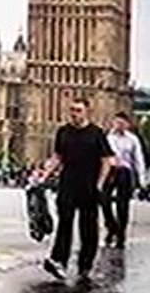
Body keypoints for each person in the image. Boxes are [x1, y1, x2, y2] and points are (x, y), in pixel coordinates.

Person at [38, 98, 116, 282]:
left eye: (78, 110)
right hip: (67, 184)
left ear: (87, 111)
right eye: (72, 110)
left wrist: (100, 184)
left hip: (89, 186)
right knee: (64, 223)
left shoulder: (96, 133)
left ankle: (85, 265)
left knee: (88, 228)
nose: (74, 113)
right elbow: (58, 156)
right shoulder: (63, 131)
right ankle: (59, 261)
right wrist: (45, 173)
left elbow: (106, 160)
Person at [101, 111, 146, 249]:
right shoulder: (107, 138)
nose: (119, 125)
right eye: (117, 122)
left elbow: (138, 160)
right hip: (110, 171)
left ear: (127, 124)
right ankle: (111, 226)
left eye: (122, 123)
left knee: (123, 205)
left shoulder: (132, 139)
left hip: (125, 172)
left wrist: (141, 179)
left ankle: (121, 236)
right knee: (103, 200)